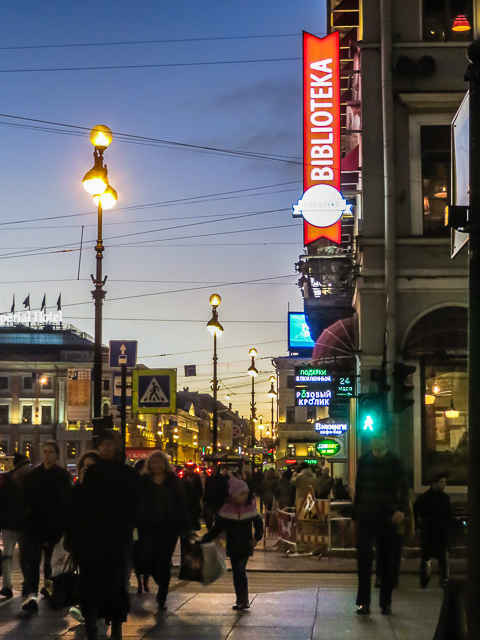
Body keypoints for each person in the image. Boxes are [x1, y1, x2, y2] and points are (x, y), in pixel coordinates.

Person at [71, 430, 141, 640]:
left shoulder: (127, 473)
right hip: (92, 538)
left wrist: (130, 525)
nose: (107, 448)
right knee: (91, 581)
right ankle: (92, 621)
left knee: (116, 582)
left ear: (116, 447)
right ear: (99, 447)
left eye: (110, 445)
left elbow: (135, 504)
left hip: (116, 537)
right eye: (104, 445)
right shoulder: (92, 472)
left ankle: (117, 623)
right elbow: (81, 504)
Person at [353, 428, 409, 616]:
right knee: (364, 561)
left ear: (387, 440)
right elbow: (359, 488)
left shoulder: (394, 461)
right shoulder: (364, 461)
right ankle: (364, 602)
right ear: (372, 440)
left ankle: (385, 602)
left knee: (387, 561)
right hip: (367, 514)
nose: (377, 441)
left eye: (381, 437)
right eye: (375, 437)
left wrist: (401, 509)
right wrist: (355, 513)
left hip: (387, 516)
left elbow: (403, 487)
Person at [22, 441, 72, 613]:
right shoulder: (33, 475)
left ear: (56, 455)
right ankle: (33, 593)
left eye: (51, 452)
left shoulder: (63, 476)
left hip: (55, 526)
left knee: (52, 562)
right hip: (36, 525)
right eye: (45, 451)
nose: (47, 454)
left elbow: (66, 502)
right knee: (34, 561)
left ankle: (49, 589)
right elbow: (27, 499)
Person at [200, 477, 263, 610]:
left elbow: (259, 524)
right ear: (234, 495)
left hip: (245, 545)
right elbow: (216, 530)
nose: (245, 496)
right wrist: (203, 539)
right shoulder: (226, 511)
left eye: (246, 493)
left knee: (240, 570)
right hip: (233, 546)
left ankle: (244, 599)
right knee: (236, 572)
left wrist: (257, 538)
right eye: (242, 493)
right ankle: (239, 598)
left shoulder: (250, 509)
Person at [139, 451, 190, 610]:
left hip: (170, 526)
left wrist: (186, 526)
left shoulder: (173, 481)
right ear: (149, 465)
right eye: (153, 462)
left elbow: (182, 502)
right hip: (149, 525)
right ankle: (161, 580)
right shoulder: (144, 481)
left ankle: (162, 594)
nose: (156, 465)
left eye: (159, 462)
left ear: (165, 464)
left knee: (164, 558)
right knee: (150, 557)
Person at [67, 450, 101, 624]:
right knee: (85, 576)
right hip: (82, 541)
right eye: (85, 467)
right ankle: (87, 609)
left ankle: (97, 608)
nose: (88, 470)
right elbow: (71, 514)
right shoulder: (77, 490)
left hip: (102, 540)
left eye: (92, 467)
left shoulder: (105, 490)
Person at [0, 454, 31, 599]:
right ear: (18, 466)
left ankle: (26, 583)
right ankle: (7, 586)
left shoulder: (28, 480)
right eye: (25, 465)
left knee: (24, 557)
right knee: (7, 556)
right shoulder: (5, 480)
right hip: (9, 525)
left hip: (24, 525)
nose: (27, 468)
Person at [414, 472, 452, 588]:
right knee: (427, 558)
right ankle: (425, 580)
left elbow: (448, 516)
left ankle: (444, 580)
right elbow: (416, 512)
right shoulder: (424, 498)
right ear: (435, 483)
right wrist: (418, 527)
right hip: (429, 531)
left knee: (443, 559)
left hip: (441, 531)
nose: (444, 484)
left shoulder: (445, 498)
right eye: (442, 482)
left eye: (445, 482)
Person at [203, 465, 228, 531]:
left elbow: (224, 490)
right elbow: (206, 489)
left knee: (217, 518)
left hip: (218, 501)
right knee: (209, 517)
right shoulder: (209, 479)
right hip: (210, 501)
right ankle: (210, 529)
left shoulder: (220, 479)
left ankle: (215, 530)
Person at [182, 462, 203, 531]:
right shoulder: (184, 477)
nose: (190, 470)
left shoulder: (196, 477)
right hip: (186, 501)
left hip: (194, 502)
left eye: (191, 469)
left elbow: (200, 490)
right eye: (189, 469)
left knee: (193, 518)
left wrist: (197, 499)